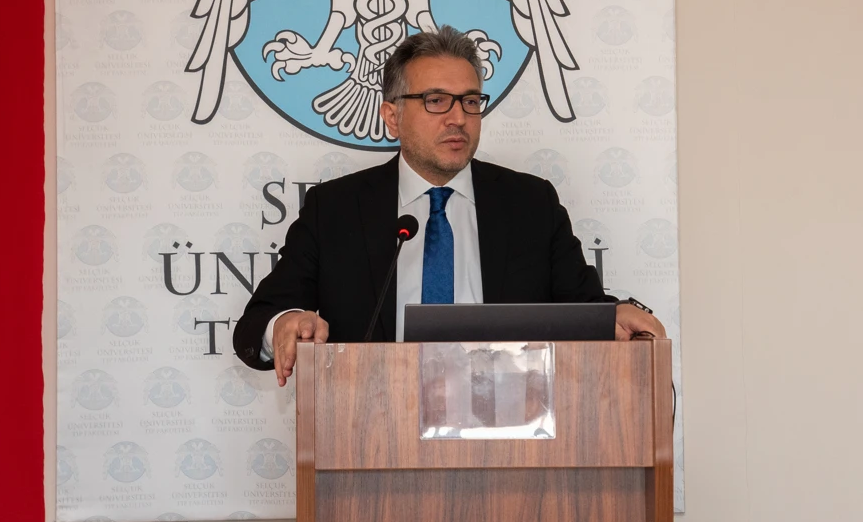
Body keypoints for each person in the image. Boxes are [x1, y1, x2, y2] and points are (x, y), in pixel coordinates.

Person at [232, 26, 666, 385]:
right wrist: (283, 325)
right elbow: (257, 323)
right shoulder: (335, 209)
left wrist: (615, 316)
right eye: (436, 100)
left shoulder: (531, 204)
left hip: (511, 434)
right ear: (392, 117)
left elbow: (584, 309)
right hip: (373, 433)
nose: (458, 118)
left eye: (471, 101)